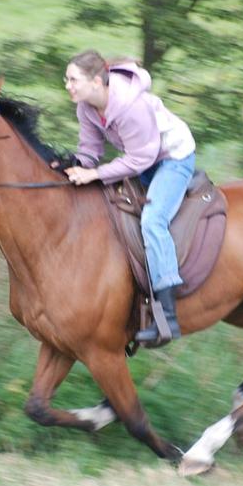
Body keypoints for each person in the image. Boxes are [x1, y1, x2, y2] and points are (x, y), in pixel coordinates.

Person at [59, 49, 197, 347]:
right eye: (66, 79)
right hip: (142, 159)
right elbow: (90, 151)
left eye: (73, 80)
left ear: (96, 81)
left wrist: (95, 175)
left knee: (152, 221)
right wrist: (72, 165)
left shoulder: (130, 106)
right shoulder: (85, 107)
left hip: (171, 158)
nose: (68, 86)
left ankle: (168, 317)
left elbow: (141, 157)